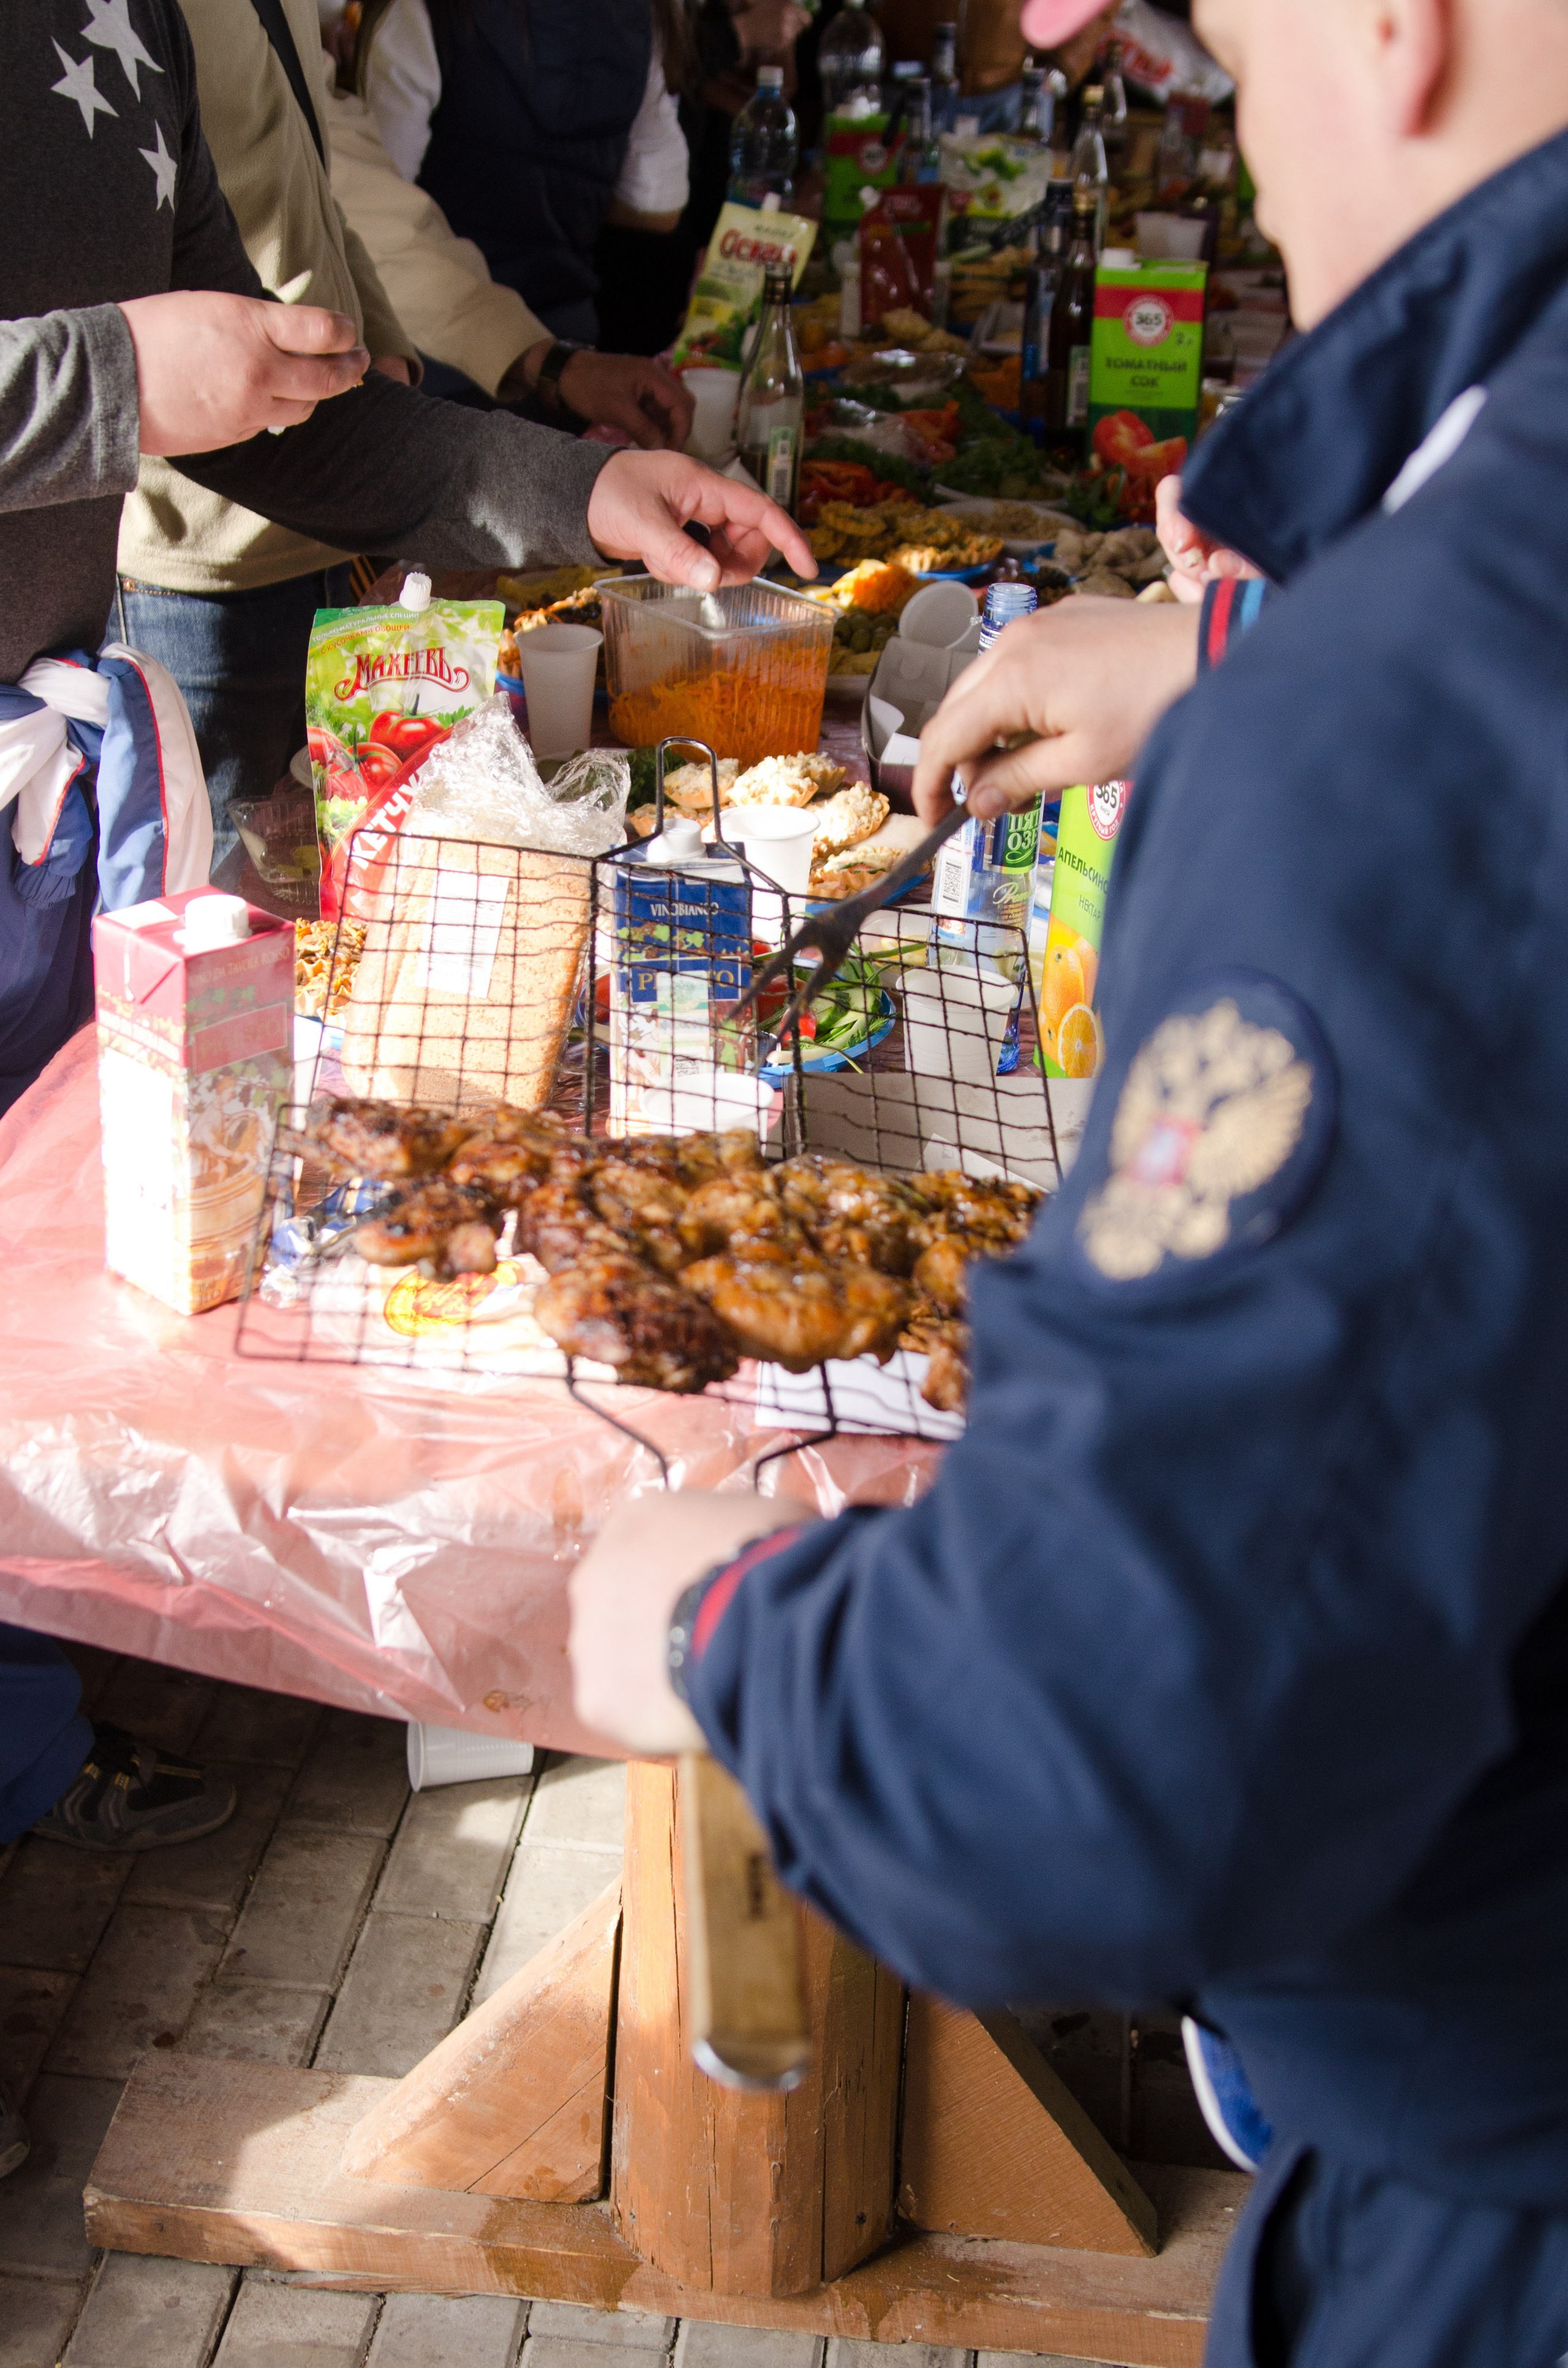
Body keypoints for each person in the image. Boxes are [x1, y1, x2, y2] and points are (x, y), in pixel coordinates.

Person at [567, 1, 1568, 2362]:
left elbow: (1096, 1757)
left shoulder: (1401, 716)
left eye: (1210, 53)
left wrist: (722, 1633)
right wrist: (1242, 645)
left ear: (1391, 28)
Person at [0, 0, 810, 2180]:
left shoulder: (131, 26)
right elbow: (120, 391)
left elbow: (288, 439)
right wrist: (110, 378)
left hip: (43, 822)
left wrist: (566, 484)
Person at [115, 0, 696, 868]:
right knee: (226, 921)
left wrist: (388, 347)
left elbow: (319, 170)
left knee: (354, 893)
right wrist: (120, 368)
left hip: (342, 486)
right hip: (209, 565)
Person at [355, 0, 691, 346]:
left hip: (440, 340)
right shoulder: (641, 13)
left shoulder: (420, 11)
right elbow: (661, 204)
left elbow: (376, 209)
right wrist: (566, 195)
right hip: (565, 338)